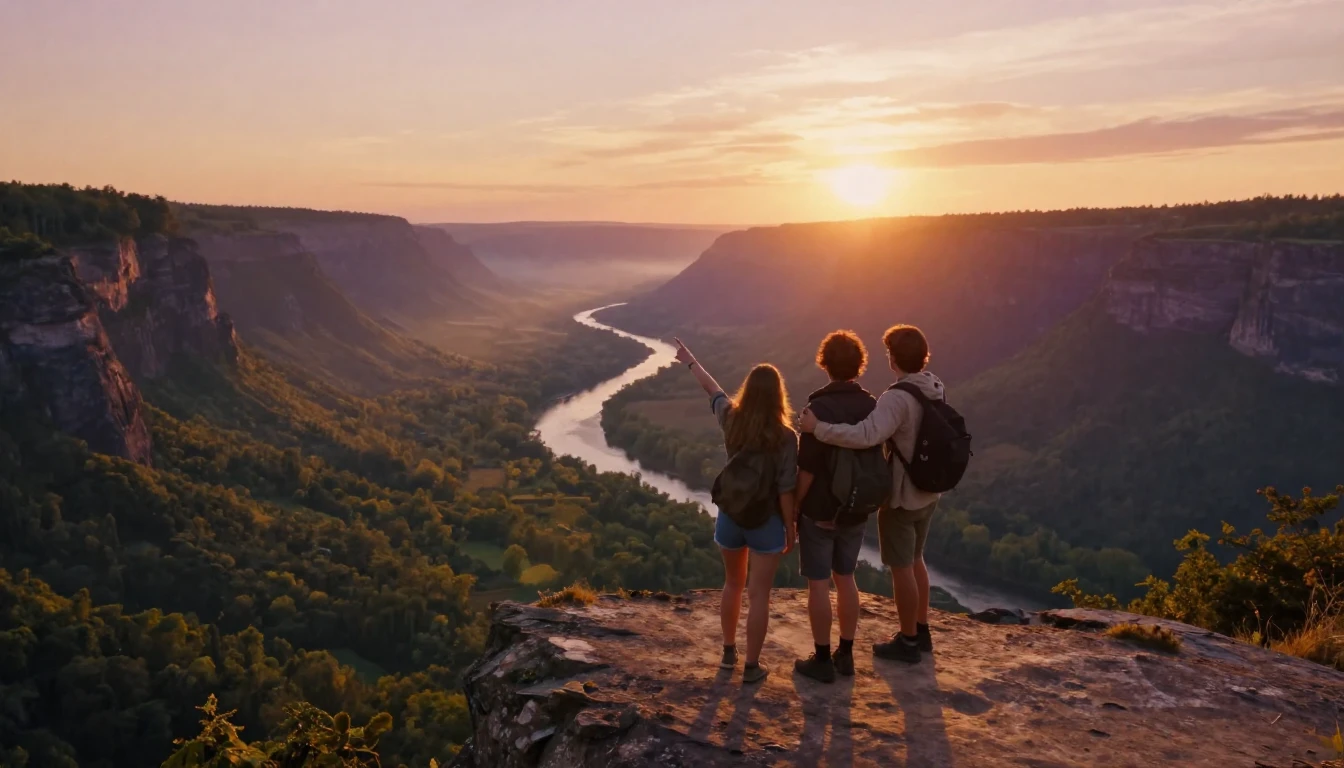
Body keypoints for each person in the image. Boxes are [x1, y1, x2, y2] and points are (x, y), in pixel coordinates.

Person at [799, 324, 944, 664]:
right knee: (915, 560)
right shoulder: (933, 386)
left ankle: (908, 641)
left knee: (901, 566)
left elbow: (866, 436)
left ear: (893, 358)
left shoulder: (895, 397)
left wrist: (817, 429)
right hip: (930, 491)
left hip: (903, 495)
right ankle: (920, 632)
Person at [674, 338, 797, 684]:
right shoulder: (786, 437)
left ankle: (728, 653)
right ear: (778, 395)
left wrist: (691, 360)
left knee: (732, 584)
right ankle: (752, 667)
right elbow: (786, 488)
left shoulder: (732, 418)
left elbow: (712, 390)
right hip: (766, 521)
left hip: (730, 516)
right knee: (760, 596)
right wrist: (791, 527)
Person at [793, 331, 877, 684]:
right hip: (857, 508)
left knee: (818, 585)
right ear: (859, 365)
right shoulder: (873, 406)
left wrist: (794, 509)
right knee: (846, 579)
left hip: (821, 511)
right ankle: (846, 654)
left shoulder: (817, 410)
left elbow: (807, 469)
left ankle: (822, 659)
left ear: (824, 363)